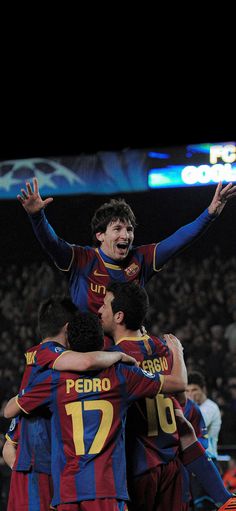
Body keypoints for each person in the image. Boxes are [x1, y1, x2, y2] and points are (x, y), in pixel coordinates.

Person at [4, 310, 187, 511]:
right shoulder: (122, 374)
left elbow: (9, 410)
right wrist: (177, 351)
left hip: (68, 492)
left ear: (69, 345)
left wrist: (26, 394)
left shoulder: (53, 380)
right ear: (102, 342)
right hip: (108, 489)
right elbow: (178, 384)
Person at [98, 281, 236, 511]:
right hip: (172, 464)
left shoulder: (116, 359)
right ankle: (225, 499)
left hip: (140, 469)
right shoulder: (162, 347)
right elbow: (181, 406)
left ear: (119, 316)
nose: (99, 310)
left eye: (104, 305)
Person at [17, 178, 236, 314]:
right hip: (87, 359)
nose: (126, 235)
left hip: (128, 361)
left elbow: (178, 239)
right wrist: (37, 217)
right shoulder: (81, 259)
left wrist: (209, 214)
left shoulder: (141, 259)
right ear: (100, 235)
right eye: (118, 229)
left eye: (129, 229)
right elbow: (52, 243)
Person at [3, 296, 136, 511]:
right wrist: (117, 356)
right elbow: (85, 361)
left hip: (39, 464)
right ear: (67, 328)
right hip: (39, 466)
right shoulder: (49, 353)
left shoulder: (41, 367)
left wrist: (17, 453)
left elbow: (11, 418)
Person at [187, 371, 222, 510]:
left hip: (208, 461)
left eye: (194, 389)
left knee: (204, 506)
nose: (190, 394)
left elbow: (193, 425)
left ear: (203, 390)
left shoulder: (210, 407)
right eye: (187, 390)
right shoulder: (189, 409)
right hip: (192, 464)